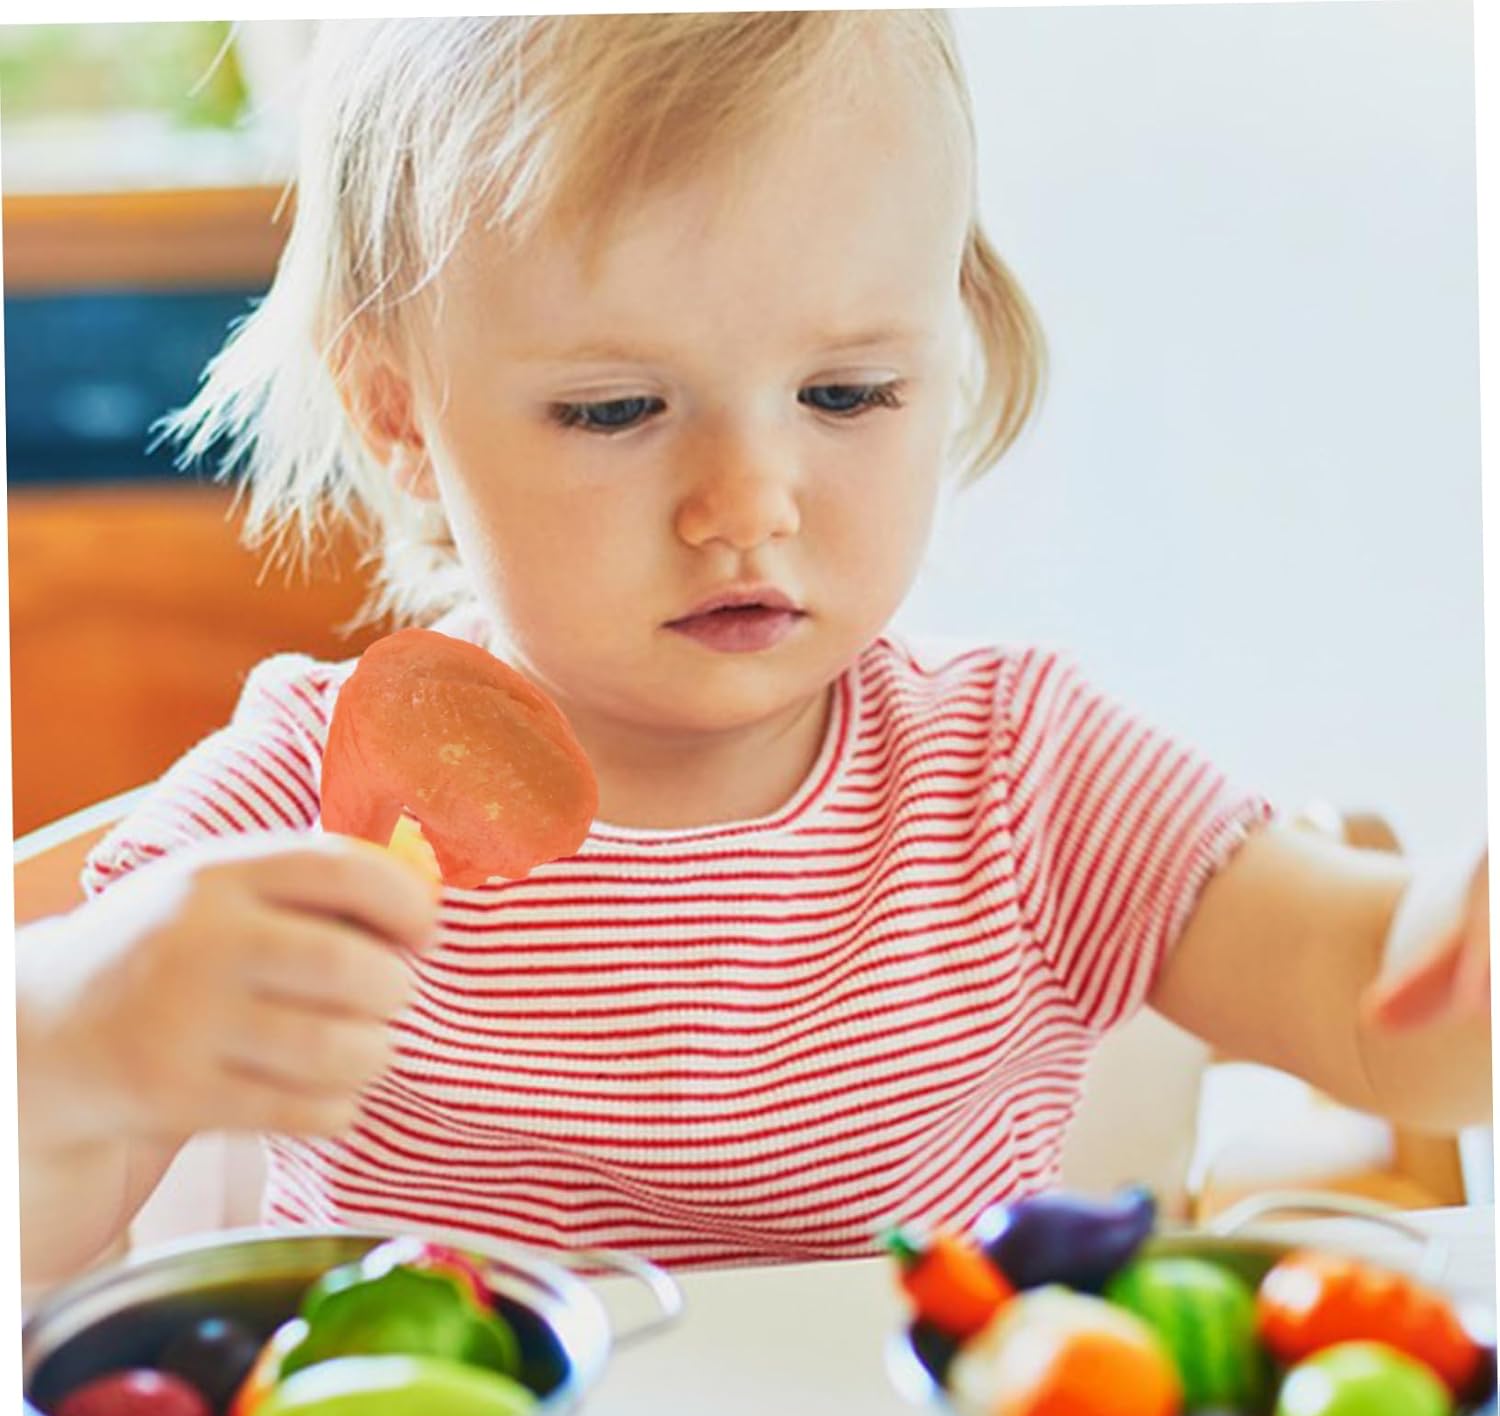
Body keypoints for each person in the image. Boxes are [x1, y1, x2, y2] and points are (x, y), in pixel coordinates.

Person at [16, 11, 1490, 1284]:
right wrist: (78, 1039)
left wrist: (1458, 958)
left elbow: (1382, 1004)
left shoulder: (1021, 773)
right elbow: (40, 1228)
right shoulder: (307, 793)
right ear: (401, 416)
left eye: (846, 394)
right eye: (616, 410)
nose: (746, 504)